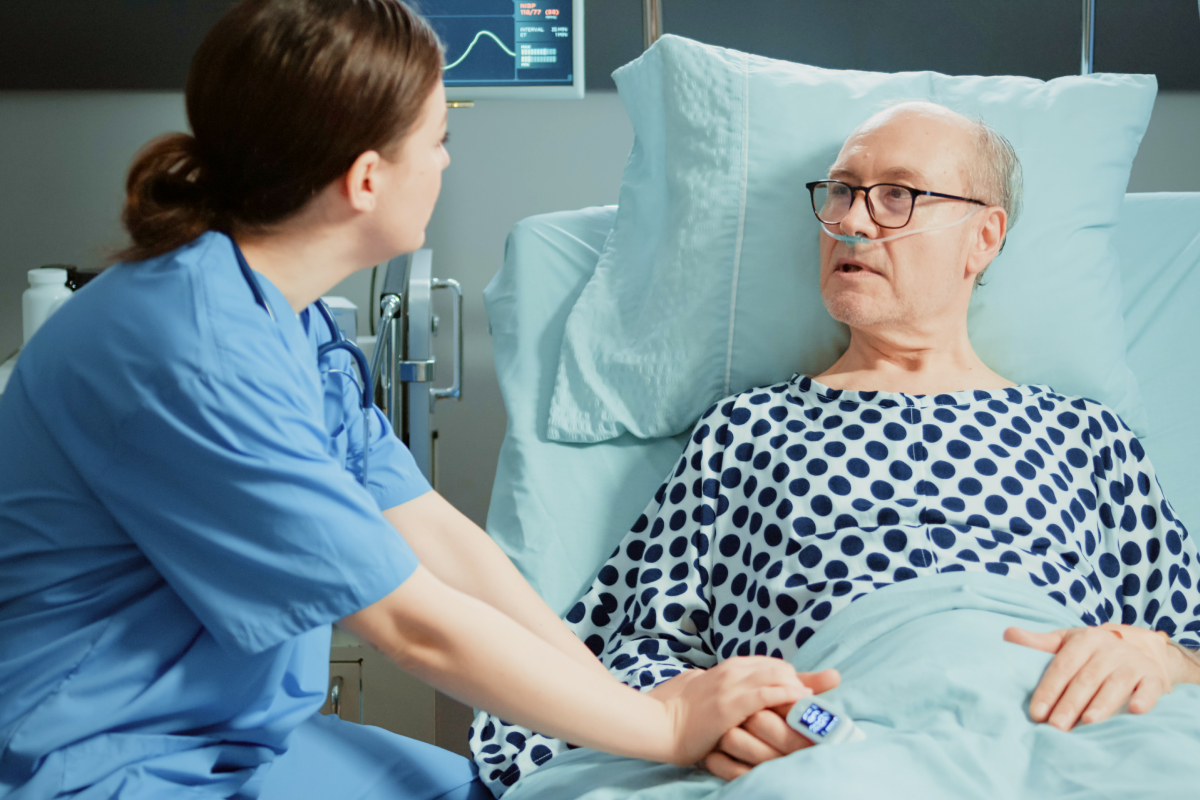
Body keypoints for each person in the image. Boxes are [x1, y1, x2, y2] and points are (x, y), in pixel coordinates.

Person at [0, 2, 813, 798]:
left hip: (234, 738)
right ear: (364, 178)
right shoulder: (189, 346)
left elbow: (425, 527)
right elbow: (409, 625)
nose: (447, 163)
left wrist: (618, 703)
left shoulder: (288, 317)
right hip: (99, 758)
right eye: (438, 140)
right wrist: (664, 731)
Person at [469, 101, 1200, 795]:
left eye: (896, 197)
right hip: (840, 733)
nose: (851, 221)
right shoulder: (748, 430)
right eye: (843, 192)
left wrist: (1163, 657)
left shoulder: (1085, 435)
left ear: (983, 237)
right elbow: (625, 646)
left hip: (1074, 726)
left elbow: (1188, 631)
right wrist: (699, 710)